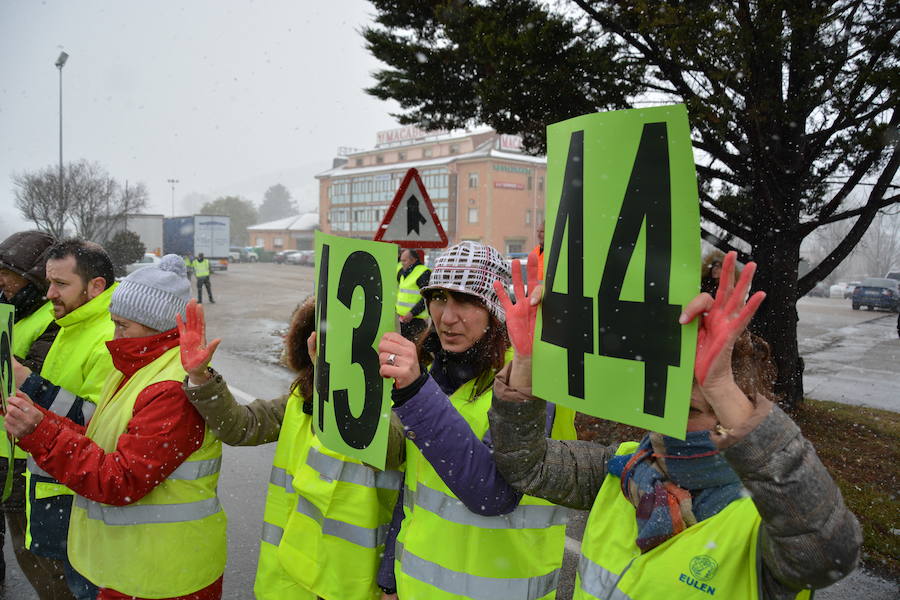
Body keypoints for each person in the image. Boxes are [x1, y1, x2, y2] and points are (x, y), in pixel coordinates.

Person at [489, 251, 862, 600]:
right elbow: (526, 465)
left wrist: (719, 385)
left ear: (733, 417)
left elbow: (827, 552)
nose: (674, 427)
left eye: (694, 410)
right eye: (666, 404)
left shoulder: (761, 522)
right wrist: (526, 361)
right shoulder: (625, 470)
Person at [5, 255, 227, 600]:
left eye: (123, 325)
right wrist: (39, 418)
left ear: (157, 325)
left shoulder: (170, 387)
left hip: (162, 576)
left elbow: (119, 480)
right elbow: (99, 435)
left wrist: (39, 433)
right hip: (133, 566)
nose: (114, 334)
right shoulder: (135, 367)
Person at [375, 241, 576, 600]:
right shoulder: (436, 372)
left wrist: (416, 392)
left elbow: (493, 493)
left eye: (466, 301)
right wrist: (390, 576)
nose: (447, 317)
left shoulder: (531, 380)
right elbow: (413, 487)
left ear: (495, 308)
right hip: (417, 588)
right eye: (438, 297)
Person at [176, 296, 401, 600]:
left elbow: (387, 449)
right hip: (288, 584)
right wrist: (201, 377)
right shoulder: (301, 399)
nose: (336, 349)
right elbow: (241, 426)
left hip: (347, 587)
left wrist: (339, 381)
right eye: (328, 338)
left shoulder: (396, 407)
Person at [12, 239, 119, 600]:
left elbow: (97, 422)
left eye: (61, 284)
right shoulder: (74, 323)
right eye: (48, 283)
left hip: (79, 498)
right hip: (58, 489)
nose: (49, 294)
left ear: (96, 286)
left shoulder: (106, 334)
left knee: (83, 588)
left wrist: (26, 381)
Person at [0, 230, 67, 597]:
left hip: (25, 456)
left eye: (9, 272)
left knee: (35, 550)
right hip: (7, 449)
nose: (2, 280)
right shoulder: (11, 308)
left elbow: (37, 383)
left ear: (35, 278)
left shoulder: (50, 318)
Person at [396, 248, 431, 343]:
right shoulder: (404, 272)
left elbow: (427, 296)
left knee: (416, 349)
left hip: (417, 320)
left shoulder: (423, 272)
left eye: (404, 260)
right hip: (403, 320)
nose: (402, 263)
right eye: (401, 260)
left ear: (413, 260)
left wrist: (412, 313)